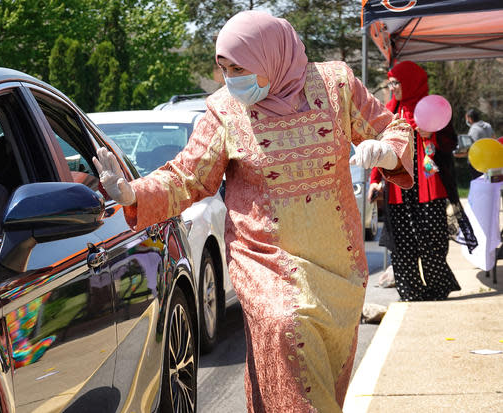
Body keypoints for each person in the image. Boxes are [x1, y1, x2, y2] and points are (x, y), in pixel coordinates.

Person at [94, 11, 413, 412]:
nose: (231, 78)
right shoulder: (224, 111)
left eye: (239, 67)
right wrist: (131, 192)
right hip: (265, 261)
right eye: (223, 67)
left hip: (337, 265)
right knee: (286, 325)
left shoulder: (337, 86)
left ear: (270, 57)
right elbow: (187, 176)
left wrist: (386, 150)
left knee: (322, 380)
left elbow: (392, 128)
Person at [368, 61, 477, 303]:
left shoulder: (432, 107)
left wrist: (433, 135)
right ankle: (411, 291)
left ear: (410, 82)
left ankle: (438, 289)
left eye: (396, 82)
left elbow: (450, 145)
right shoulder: (389, 111)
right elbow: (382, 149)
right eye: (391, 82)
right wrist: (375, 180)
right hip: (399, 189)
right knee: (403, 244)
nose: (392, 87)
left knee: (433, 240)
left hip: (429, 187)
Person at [465, 108, 495, 179]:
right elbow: (494, 139)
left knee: (478, 182)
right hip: (489, 159)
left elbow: (471, 147)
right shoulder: (488, 126)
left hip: (477, 162)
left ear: (470, 118)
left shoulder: (473, 129)